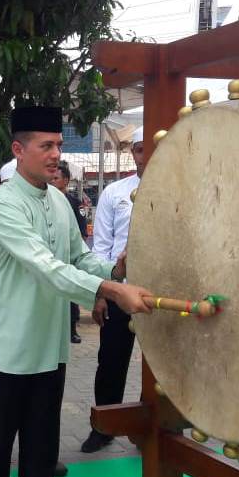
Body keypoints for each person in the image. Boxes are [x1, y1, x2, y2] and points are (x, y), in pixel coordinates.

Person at [0, 106, 153, 477]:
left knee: (41, 454)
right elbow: (46, 265)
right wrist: (110, 293)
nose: (55, 155)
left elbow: (79, 256)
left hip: (49, 349)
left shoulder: (59, 202)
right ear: (18, 150)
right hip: (7, 350)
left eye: (57, 145)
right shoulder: (6, 204)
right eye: (45, 146)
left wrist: (114, 273)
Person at [80, 127, 147, 454]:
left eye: (152, 148)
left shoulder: (183, 190)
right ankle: (104, 426)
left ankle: (154, 429)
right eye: (139, 148)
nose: (145, 154)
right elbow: (101, 246)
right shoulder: (114, 193)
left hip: (163, 294)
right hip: (121, 289)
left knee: (162, 366)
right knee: (110, 360)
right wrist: (101, 293)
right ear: (132, 152)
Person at [51, 161, 88, 344]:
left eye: (56, 178)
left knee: (71, 293)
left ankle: (72, 328)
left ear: (65, 180)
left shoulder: (74, 202)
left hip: (69, 254)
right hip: (50, 256)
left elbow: (81, 231)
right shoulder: (46, 201)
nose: (52, 181)